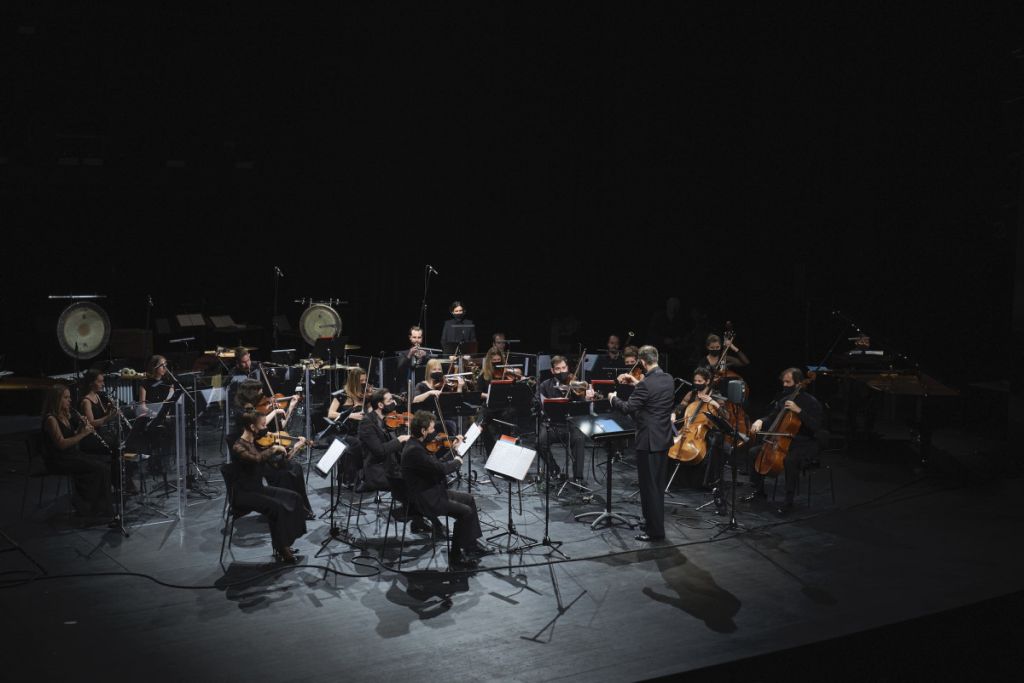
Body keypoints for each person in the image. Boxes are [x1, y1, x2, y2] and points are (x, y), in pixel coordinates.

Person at [401, 410, 488, 568]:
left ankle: (471, 546)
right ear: (423, 431)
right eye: (432, 428)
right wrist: (457, 462)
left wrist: (454, 451)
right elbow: (441, 469)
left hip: (433, 492)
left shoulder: (418, 445)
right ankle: (456, 557)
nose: (435, 432)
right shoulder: (415, 451)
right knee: (465, 512)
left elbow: (437, 465)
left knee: (469, 499)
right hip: (426, 500)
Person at [607, 345, 674, 542]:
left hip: (648, 441)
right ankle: (652, 524)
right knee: (657, 487)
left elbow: (627, 407)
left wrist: (613, 399)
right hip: (663, 439)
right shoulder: (668, 379)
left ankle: (655, 531)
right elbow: (652, 393)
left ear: (642, 362)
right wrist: (637, 382)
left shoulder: (646, 385)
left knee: (649, 488)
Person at [230, 408, 308, 563]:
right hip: (244, 493)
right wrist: (273, 448)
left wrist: (296, 447)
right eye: (263, 425)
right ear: (252, 427)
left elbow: (277, 465)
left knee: (294, 498)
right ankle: (282, 548)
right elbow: (256, 459)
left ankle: (284, 543)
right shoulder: (238, 446)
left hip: (258, 489)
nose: (266, 428)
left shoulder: (254, 443)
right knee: (277, 507)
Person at [743, 368, 823, 514]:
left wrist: (799, 411)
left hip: (803, 443)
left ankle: (788, 501)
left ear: (798, 383)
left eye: (788, 382)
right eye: (783, 382)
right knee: (754, 452)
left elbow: (816, 426)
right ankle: (759, 491)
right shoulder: (784, 400)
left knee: (789, 460)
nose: (785, 385)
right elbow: (772, 417)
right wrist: (760, 421)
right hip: (782, 441)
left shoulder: (811, 402)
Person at [40, 384, 115, 523]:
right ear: (57, 400)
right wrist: (83, 434)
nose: (70, 400)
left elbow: (72, 436)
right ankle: (91, 508)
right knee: (99, 468)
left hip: (70, 456)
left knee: (101, 465)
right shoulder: (51, 419)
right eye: (66, 397)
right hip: (58, 460)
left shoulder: (65, 416)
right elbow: (62, 444)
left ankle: (95, 507)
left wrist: (81, 427)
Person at [536, 355, 594, 481]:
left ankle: (578, 478)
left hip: (572, 425)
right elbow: (538, 403)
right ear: (552, 371)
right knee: (540, 442)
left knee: (579, 439)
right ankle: (554, 469)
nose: (562, 371)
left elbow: (583, 406)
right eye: (558, 369)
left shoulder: (576, 384)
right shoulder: (545, 385)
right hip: (553, 424)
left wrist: (587, 398)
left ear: (567, 368)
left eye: (564, 368)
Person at [357, 388, 411, 492]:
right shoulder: (367, 424)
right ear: (380, 405)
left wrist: (406, 430)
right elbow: (380, 451)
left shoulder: (390, 419)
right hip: (379, 471)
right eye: (390, 400)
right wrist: (399, 439)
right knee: (418, 481)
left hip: (394, 466)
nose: (394, 402)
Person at [395, 325, 431, 391]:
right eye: (414, 337)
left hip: (424, 388)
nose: (417, 340)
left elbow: (432, 369)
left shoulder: (427, 353)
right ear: (410, 338)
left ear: (422, 338)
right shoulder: (403, 353)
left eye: (419, 337)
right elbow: (399, 370)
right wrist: (409, 355)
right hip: (407, 388)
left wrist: (425, 356)